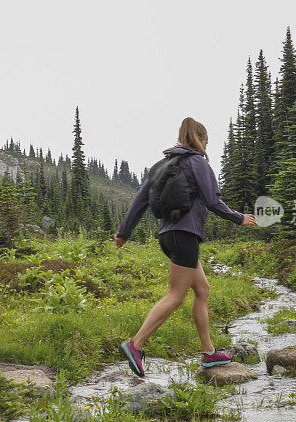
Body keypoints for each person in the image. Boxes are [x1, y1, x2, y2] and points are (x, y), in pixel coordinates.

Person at [114, 117, 257, 377]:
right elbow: (213, 200)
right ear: (200, 140)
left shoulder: (161, 165)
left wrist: (123, 232)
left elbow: (140, 200)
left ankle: (209, 352)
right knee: (176, 296)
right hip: (185, 236)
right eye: (206, 141)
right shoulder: (197, 163)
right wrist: (239, 218)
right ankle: (135, 345)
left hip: (169, 237)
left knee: (202, 289)